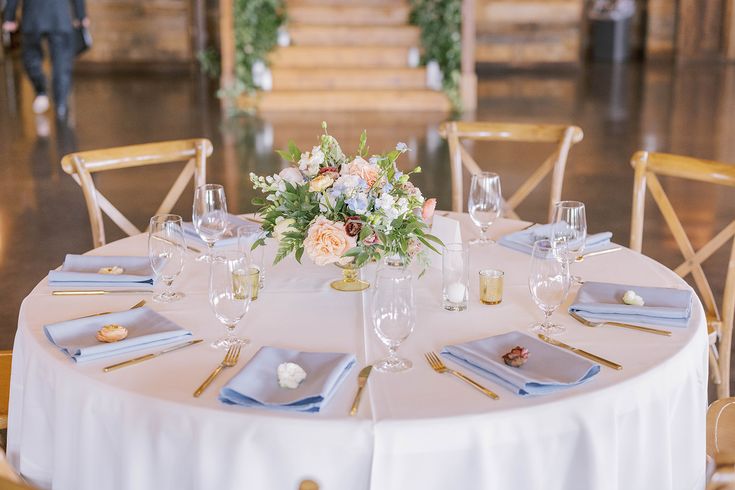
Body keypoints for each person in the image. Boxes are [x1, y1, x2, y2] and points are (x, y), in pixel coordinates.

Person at [1, 0, 88, 119]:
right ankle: (60, 104)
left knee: (31, 59)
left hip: (33, 17)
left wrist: (9, 17)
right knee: (61, 63)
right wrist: (81, 15)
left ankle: (42, 90)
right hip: (59, 17)